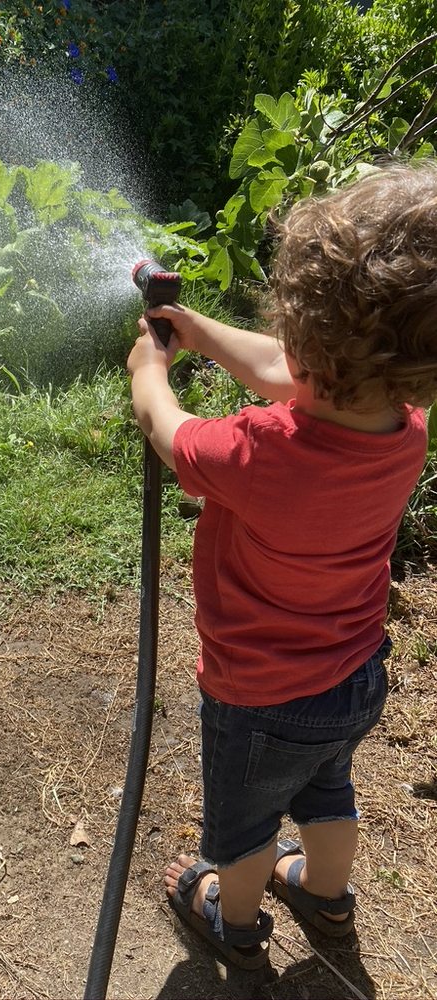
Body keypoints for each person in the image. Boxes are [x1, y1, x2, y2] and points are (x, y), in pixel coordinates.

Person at [127, 162, 437, 969]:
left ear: (308, 334)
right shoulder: (404, 426)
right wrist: (195, 329)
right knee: (328, 790)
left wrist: (149, 374)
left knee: (244, 831)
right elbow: (285, 370)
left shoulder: (261, 452)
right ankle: (326, 897)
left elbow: (170, 432)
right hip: (352, 678)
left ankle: (232, 921)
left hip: (260, 698)